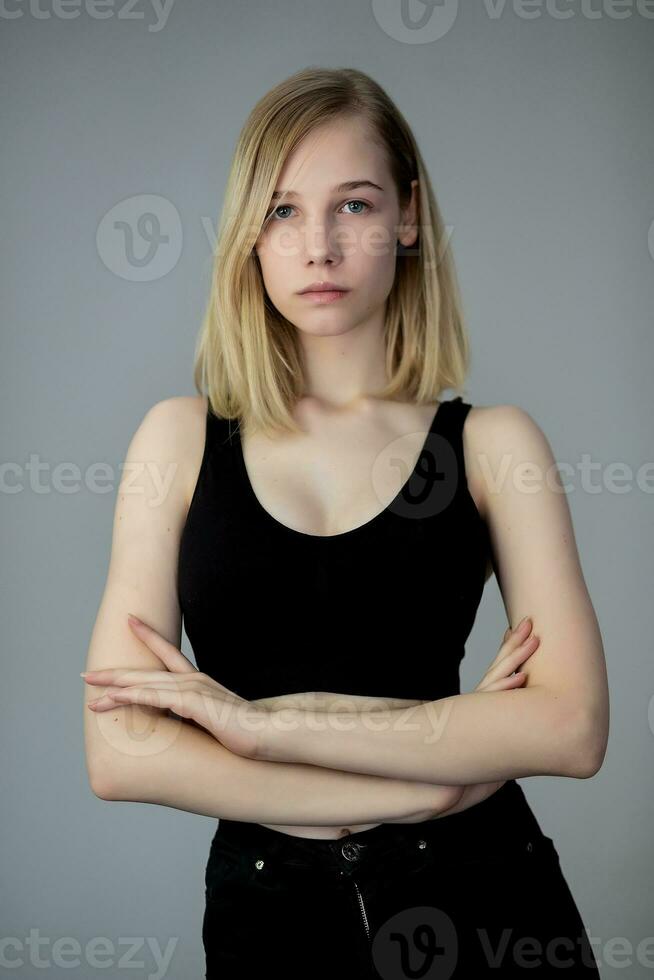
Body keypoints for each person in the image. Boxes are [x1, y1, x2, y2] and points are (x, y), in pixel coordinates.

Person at [83, 67, 609, 978]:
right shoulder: (177, 440)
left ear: (407, 217)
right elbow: (119, 750)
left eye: (354, 205)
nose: (318, 246)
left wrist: (259, 728)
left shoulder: (491, 445)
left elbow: (572, 729)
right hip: (271, 918)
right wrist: (432, 779)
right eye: (283, 211)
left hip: (487, 902)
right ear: (248, 233)